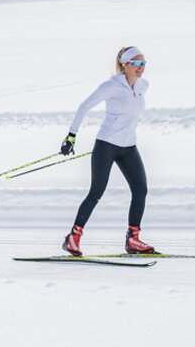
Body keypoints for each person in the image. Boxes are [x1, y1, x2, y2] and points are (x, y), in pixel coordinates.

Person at [58, 46, 156, 256]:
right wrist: (71, 136)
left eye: (143, 63)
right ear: (125, 64)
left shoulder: (143, 86)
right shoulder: (111, 86)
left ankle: (133, 239)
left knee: (140, 190)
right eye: (137, 63)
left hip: (129, 147)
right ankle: (73, 238)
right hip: (107, 145)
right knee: (97, 191)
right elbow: (84, 106)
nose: (141, 67)